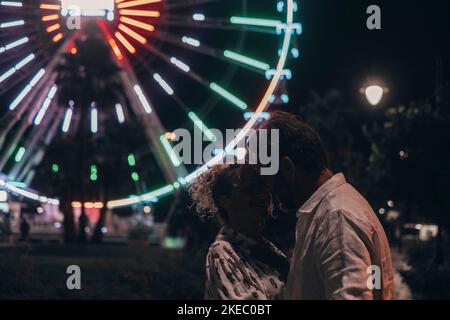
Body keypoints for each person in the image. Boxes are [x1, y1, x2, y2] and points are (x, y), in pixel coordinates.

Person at [257, 111, 395, 300]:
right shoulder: (330, 211)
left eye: (267, 178)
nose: (268, 191)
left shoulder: (336, 218)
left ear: (287, 168)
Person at [190, 164, 290, 300]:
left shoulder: (266, 247)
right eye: (250, 189)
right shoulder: (221, 252)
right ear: (225, 201)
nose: (262, 195)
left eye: (263, 187)